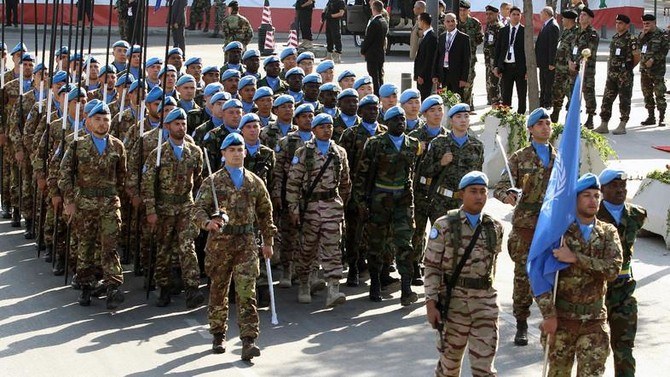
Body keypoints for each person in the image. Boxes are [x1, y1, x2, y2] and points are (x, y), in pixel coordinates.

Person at [193, 132, 276, 360]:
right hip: (220, 242)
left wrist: (268, 241)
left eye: (240, 150)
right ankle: (218, 333)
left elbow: (265, 213)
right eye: (232, 150)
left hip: (246, 242)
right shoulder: (213, 181)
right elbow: (198, 208)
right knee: (219, 289)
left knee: (246, 291)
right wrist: (207, 222)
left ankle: (248, 340)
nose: (237, 154)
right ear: (223, 154)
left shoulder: (254, 181)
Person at [536, 173, 623, 377]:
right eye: (586, 195)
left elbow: (613, 270)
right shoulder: (559, 233)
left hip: (594, 321)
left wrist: (576, 258)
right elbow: (540, 276)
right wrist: (548, 315)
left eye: (596, 195)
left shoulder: (608, 232)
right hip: (562, 320)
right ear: (574, 199)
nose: (593, 200)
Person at [424, 171, 504, 377]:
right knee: (449, 366)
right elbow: (432, 267)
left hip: (485, 304)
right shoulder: (444, 225)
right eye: (473, 191)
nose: (479, 196)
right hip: (454, 304)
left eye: (483, 192)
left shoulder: (494, 227)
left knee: (485, 369)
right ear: (462, 194)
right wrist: (431, 303)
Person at [493, 107, 555, 346]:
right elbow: (499, 187)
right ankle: (521, 323)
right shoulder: (520, 157)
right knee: (523, 278)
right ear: (530, 129)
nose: (545, 127)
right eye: (539, 124)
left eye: (548, 123)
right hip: (526, 230)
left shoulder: (559, 158)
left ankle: (550, 323)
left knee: (553, 276)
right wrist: (507, 196)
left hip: (551, 230)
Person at [58, 102, 127, 309]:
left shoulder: (117, 146)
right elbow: (65, 175)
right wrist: (69, 201)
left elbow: (122, 175)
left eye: (106, 120)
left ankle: (113, 287)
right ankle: (86, 284)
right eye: (97, 119)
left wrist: (116, 196)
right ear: (88, 122)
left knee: (110, 245)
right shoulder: (77, 145)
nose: (102, 123)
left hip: (109, 203)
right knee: (86, 245)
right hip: (85, 203)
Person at [354, 105, 421, 305]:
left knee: (404, 244)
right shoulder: (375, 143)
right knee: (377, 243)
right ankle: (375, 283)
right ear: (387, 123)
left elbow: (412, 172)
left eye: (402, 119)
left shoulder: (412, 144)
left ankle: (406, 288)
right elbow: (362, 174)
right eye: (396, 120)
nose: (401, 123)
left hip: (402, 201)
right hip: (379, 200)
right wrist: (360, 201)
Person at [141, 108, 205, 308]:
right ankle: (164, 288)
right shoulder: (157, 154)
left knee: (188, 247)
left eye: (184, 123)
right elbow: (148, 184)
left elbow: (200, 179)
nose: (181, 127)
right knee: (164, 248)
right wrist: (151, 210)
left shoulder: (195, 152)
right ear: (168, 127)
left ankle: (192, 288)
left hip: (186, 204)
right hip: (164, 206)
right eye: (177, 124)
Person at [286, 113, 351, 307]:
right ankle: (305, 282)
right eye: (322, 127)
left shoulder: (339, 152)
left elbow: (346, 183)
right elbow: (293, 182)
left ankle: (333, 289)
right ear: (314, 130)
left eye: (329, 126)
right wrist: (294, 209)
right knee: (307, 249)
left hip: (332, 206)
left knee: (333, 249)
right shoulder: (304, 153)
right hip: (311, 209)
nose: (327, 130)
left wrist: (341, 205)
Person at [596, 169, 646, 377]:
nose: (620, 190)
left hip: (624, 290)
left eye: (623, 186)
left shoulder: (636, 214)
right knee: (595, 349)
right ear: (602, 189)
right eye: (614, 186)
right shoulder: (593, 214)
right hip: (597, 290)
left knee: (624, 347)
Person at [594, 14, 640, 135]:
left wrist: (628, 69)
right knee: (607, 99)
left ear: (626, 25)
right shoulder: (615, 38)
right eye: (617, 23)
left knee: (624, 99)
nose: (617, 25)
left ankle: (623, 124)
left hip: (624, 75)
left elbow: (637, 56)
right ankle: (604, 123)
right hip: (612, 74)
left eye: (620, 23)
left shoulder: (631, 39)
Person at [569, 7, 599, 128]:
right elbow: (571, 49)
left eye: (584, 15)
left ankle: (590, 117)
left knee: (588, 93)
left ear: (590, 19)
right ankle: (575, 118)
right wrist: (570, 61)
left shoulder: (592, 34)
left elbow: (588, 52)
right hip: (574, 69)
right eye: (580, 14)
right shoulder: (576, 32)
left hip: (587, 69)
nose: (581, 17)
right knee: (574, 93)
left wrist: (577, 64)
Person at [494, 6, 526, 114]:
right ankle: (506, 116)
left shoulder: (524, 31)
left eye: (518, 14)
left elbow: (529, 52)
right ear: (509, 15)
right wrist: (496, 66)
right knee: (506, 94)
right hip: (506, 67)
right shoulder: (503, 31)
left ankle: (520, 116)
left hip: (520, 67)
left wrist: (528, 70)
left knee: (521, 94)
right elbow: (497, 50)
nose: (516, 16)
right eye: (514, 14)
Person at [638, 14, 668, 128]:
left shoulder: (662, 35)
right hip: (645, 69)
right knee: (647, 94)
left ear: (654, 23)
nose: (646, 26)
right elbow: (638, 47)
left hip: (657, 70)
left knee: (659, 93)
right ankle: (651, 117)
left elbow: (664, 51)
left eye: (648, 24)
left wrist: (653, 59)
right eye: (644, 24)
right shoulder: (643, 35)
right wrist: (642, 35)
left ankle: (661, 117)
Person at [550, 9, 579, 123]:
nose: (562, 20)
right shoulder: (566, 32)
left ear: (569, 19)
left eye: (563, 19)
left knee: (570, 94)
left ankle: (571, 118)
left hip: (569, 71)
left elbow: (575, 52)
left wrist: (572, 66)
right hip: (560, 69)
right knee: (557, 92)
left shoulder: (575, 34)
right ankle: (555, 113)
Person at [432, 13, 470, 100]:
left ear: (456, 22)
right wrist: (434, 74)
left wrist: (464, 79)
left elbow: (466, 60)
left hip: (457, 76)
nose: (450, 23)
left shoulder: (464, 38)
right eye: (448, 21)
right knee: (445, 99)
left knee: (457, 100)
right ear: (444, 23)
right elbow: (437, 57)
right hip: (443, 74)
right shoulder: (442, 37)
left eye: (453, 21)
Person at [456, 0, 483, 110]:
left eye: (465, 10)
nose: (462, 12)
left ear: (469, 11)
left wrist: (470, 47)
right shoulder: (454, 22)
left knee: (468, 81)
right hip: (456, 58)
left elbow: (479, 39)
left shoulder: (474, 23)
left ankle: (466, 106)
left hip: (470, 58)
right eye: (460, 10)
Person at [361, 0, 389, 97]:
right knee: (380, 75)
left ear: (374, 9)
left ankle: (377, 95)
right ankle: (381, 93)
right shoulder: (384, 21)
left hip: (372, 53)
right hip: (380, 52)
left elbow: (368, 39)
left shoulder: (374, 23)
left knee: (373, 76)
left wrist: (363, 50)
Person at [535, 6, 560, 109]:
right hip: (543, 61)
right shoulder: (546, 24)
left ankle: (547, 103)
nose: (540, 14)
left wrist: (551, 62)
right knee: (543, 82)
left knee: (548, 83)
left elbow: (552, 46)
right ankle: (543, 101)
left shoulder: (552, 26)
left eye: (541, 12)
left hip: (548, 62)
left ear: (546, 13)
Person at [414, 12, 437, 101]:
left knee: (424, 98)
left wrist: (422, 75)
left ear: (423, 22)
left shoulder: (431, 37)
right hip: (421, 74)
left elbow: (429, 59)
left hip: (425, 76)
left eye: (419, 20)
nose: (418, 22)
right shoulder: (426, 35)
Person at [483, 5, 503, 105]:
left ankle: (498, 108)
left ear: (497, 14)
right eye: (486, 14)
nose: (488, 16)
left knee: (495, 86)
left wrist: (497, 64)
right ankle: (493, 104)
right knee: (490, 86)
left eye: (491, 14)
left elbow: (501, 48)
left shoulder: (499, 27)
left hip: (495, 63)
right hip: (488, 62)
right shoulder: (489, 25)